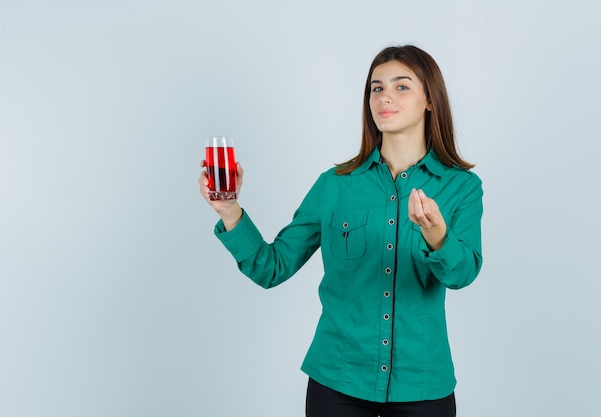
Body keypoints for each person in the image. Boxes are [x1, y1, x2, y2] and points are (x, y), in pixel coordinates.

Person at [199, 44, 483, 417]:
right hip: (337, 384)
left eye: (401, 87)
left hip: (423, 386)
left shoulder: (460, 187)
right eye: (376, 88)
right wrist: (230, 211)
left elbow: (463, 274)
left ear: (430, 99)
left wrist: (437, 238)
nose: (385, 98)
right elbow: (272, 267)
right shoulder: (334, 185)